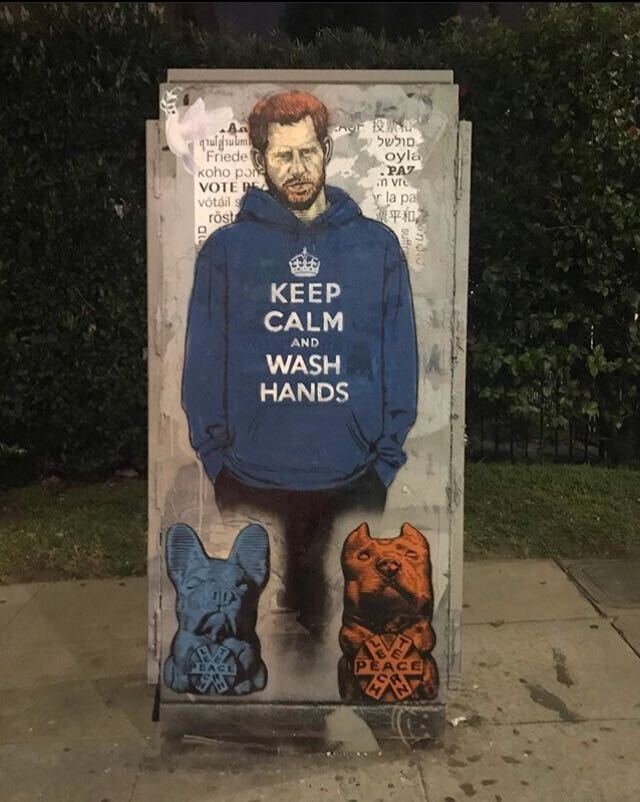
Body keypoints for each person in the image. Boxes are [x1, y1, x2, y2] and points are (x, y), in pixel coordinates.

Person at [182, 90, 418, 632]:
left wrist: (383, 463)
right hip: (250, 486)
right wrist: (218, 464)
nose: (297, 168)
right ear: (259, 159)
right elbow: (203, 368)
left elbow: (400, 360)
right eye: (282, 155)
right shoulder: (226, 250)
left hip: (352, 484)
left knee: (344, 636)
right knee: (252, 637)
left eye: (308, 152)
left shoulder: (376, 247)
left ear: (326, 150)